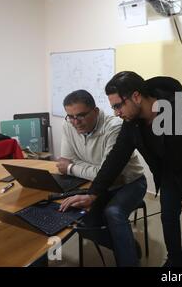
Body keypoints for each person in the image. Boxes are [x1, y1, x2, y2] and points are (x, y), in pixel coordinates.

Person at [60, 72, 182, 267]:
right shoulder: (132, 123)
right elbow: (116, 158)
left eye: (118, 105)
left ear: (136, 97)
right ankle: (174, 259)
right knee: (168, 217)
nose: (116, 112)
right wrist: (93, 194)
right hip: (169, 175)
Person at [58, 89, 146, 267]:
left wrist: (72, 167)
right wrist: (74, 167)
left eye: (81, 115)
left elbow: (105, 172)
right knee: (79, 217)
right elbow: (64, 162)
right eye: (71, 116)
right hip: (97, 184)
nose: (75, 122)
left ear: (96, 111)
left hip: (130, 182)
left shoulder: (115, 126)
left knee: (113, 213)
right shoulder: (68, 124)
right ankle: (127, 245)